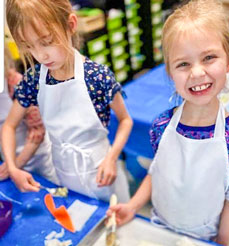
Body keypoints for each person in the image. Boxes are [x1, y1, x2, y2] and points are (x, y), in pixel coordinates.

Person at [107, 0, 229, 246]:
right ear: (170, 72)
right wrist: (132, 206)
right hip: (159, 229)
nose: (196, 73)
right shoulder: (162, 125)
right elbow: (157, 171)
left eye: (209, 58)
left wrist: (222, 244)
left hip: (206, 238)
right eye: (183, 64)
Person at [3, 0, 132, 201]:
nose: (40, 55)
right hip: (63, 175)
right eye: (29, 47)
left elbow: (125, 120)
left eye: (46, 41)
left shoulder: (96, 76)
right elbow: (9, 126)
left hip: (102, 174)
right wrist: (12, 167)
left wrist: (112, 157)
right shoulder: (34, 79)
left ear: (71, 25)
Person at [0, 45, 58, 184]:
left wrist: (14, 167)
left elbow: (37, 133)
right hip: (9, 159)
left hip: (38, 160)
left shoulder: (17, 84)